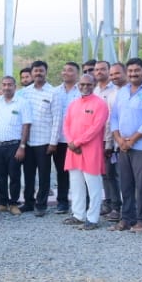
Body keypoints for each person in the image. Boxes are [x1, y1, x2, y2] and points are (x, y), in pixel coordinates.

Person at [109, 57, 142, 233]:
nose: (133, 74)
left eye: (137, 70)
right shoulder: (122, 92)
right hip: (123, 145)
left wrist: (133, 139)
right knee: (126, 184)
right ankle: (127, 219)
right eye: (130, 71)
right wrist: (118, 139)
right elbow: (114, 116)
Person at [62, 72, 109, 230]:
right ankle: (78, 215)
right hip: (73, 150)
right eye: (82, 84)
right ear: (78, 85)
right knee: (76, 185)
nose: (85, 87)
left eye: (89, 84)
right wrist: (70, 142)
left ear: (94, 85)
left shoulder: (100, 104)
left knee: (93, 186)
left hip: (90, 150)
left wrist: (77, 142)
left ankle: (93, 218)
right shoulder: (73, 104)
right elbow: (66, 124)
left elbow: (96, 128)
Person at [19, 60, 62, 217]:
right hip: (28, 141)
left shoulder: (53, 92)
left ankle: (41, 204)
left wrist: (53, 142)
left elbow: (57, 119)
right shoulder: (25, 93)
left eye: (41, 71)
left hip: (44, 142)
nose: (38, 73)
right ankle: (28, 202)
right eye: (35, 71)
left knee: (44, 175)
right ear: (31, 73)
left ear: (45, 72)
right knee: (28, 174)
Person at [0, 76, 29, 214]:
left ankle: (13, 203)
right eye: (4, 84)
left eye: (9, 85)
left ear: (15, 86)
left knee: (14, 176)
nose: (6, 87)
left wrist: (22, 147)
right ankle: (2, 203)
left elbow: (26, 126)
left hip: (14, 146)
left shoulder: (22, 103)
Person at [50, 62, 82, 213]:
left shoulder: (82, 91)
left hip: (77, 141)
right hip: (60, 140)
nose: (66, 72)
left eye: (70, 70)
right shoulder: (55, 92)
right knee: (62, 173)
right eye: (64, 70)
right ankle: (62, 202)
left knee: (78, 173)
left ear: (77, 74)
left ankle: (80, 203)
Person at [92, 59, 120, 217]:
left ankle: (116, 205)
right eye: (97, 69)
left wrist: (109, 142)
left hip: (110, 138)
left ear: (109, 71)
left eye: (103, 69)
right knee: (102, 173)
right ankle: (107, 202)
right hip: (95, 138)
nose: (99, 72)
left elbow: (111, 118)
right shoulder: (94, 91)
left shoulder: (115, 91)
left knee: (112, 173)